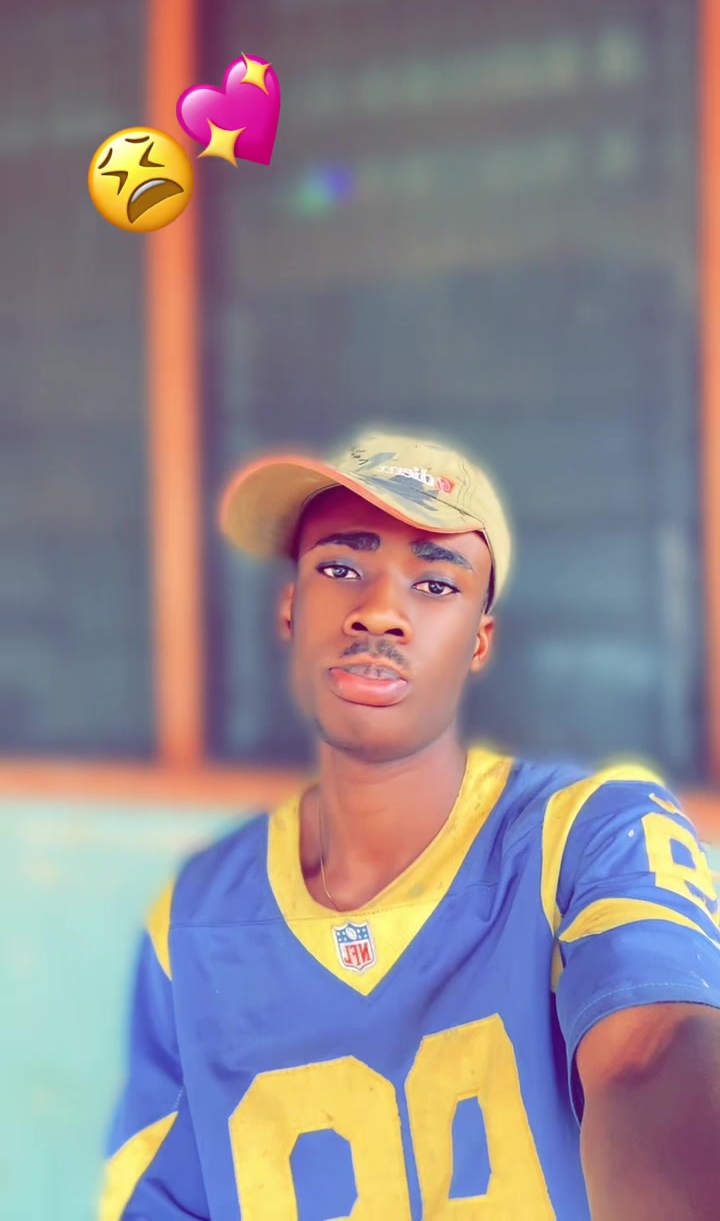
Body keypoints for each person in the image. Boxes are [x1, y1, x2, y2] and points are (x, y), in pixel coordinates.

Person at [98, 430, 720, 1221]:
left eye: (434, 583)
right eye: (340, 569)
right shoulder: (194, 921)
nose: (380, 612)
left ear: (479, 641)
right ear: (291, 607)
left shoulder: (589, 835)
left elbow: (652, 1051)